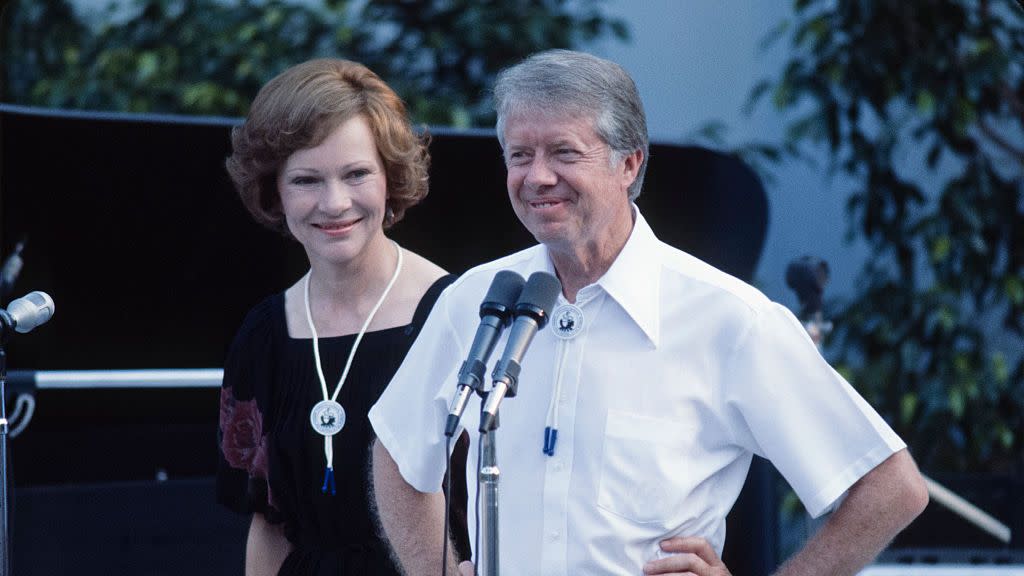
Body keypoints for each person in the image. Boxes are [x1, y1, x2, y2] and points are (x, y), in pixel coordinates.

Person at [369, 49, 929, 575]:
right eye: (520, 155)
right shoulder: (477, 299)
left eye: (564, 152)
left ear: (629, 164)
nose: (537, 176)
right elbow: (398, 451)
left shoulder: (727, 319)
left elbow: (889, 488)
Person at [216, 58, 468, 576]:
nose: (335, 203)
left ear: (389, 178)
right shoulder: (263, 336)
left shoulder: (458, 315)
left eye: (356, 174)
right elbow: (268, 525)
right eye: (307, 179)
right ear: (274, 190)